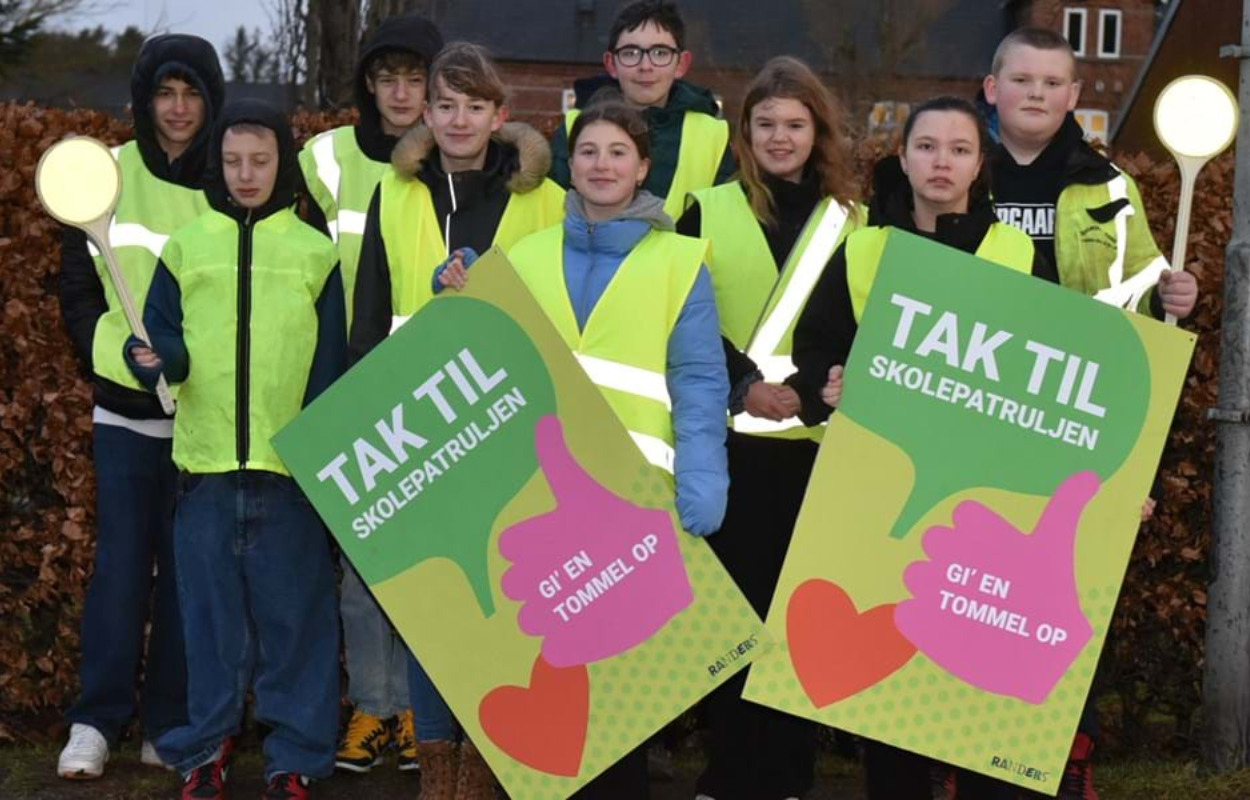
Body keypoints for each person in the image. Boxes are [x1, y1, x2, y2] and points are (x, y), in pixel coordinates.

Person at [438, 97, 729, 799]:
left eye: (618, 153)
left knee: (621, 696)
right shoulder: (525, 256)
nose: (603, 165)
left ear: (643, 168)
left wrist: (704, 470)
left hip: (634, 500)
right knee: (549, 670)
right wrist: (455, 291)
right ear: (572, 164)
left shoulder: (680, 260)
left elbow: (697, 378)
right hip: (535, 500)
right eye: (589, 152)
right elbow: (478, 358)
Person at [790, 97, 1051, 800]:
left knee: (976, 665)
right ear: (900, 159)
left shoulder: (1018, 254)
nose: (942, 162)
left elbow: (1058, 375)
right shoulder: (864, 247)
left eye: (959, 150)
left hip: (985, 497)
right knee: (891, 667)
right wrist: (826, 381)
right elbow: (812, 349)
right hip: (882, 493)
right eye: (927, 147)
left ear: (979, 164)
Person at [982, 28, 1197, 799]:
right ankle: (959, 752)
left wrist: (1176, 294)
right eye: (1022, 78)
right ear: (992, 88)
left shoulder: (1108, 186)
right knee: (968, 582)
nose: (1036, 92)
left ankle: (1067, 754)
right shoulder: (957, 169)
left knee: (1060, 592)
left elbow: (1143, 307)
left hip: (1070, 424)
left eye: (1052, 82)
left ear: (1075, 97)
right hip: (975, 417)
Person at [346, 41, 563, 799]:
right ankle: (441, 765)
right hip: (421, 431)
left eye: (476, 105)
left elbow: (563, 317)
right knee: (436, 609)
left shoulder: (546, 199)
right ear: (425, 114)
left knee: (509, 604)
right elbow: (369, 316)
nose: (460, 119)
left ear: (500, 115)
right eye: (446, 105)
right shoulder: (395, 192)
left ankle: (500, 755)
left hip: (510, 424)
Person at [123, 99, 346, 800]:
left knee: (297, 626)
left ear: (282, 163)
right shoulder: (187, 246)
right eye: (232, 161)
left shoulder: (316, 252)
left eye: (260, 160)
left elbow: (332, 363)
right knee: (209, 627)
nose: (246, 174)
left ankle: (296, 761)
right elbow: (166, 346)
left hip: (291, 474)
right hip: (206, 469)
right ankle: (207, 749)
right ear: (216, 166)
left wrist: (320, 450)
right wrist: (157, 361)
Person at [673, 55, 861, 800]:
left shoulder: (856, 221)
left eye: (795, 124)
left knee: (797, 627)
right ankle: (728, 770)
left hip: (818, 452)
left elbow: (857, 326)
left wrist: (812, 393)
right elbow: (681, 321)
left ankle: (788, 776)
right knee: (729, 623)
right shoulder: (705, 207)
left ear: (817, 132)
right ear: (743, 131)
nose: (780, 138)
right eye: (766, 124)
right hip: (728, 447)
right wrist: (746, 388)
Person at [55, 32, 225, 781]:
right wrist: (113, 356)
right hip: (125, 416)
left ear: (210, 100)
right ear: (145, 98)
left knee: (190, 577)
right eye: (165, 92)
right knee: (121, 570)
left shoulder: (234, 176)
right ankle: (95, 722)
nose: (179, 108)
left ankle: (170, 725)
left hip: (203, 417)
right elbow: (77, 288)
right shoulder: (109, 175)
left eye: (191, 93)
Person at [297, 11, 443, 775]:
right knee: (360, 565)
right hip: (351, 378)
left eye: (415, 77)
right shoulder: (324, 159)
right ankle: (375, 709)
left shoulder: (453, 161)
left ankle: (421, 709)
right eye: (387, 77)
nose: (400, 91)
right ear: (367, 85)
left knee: (424, 563)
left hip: (433, 384)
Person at [548, 0, 734, 219]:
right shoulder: (574, 127)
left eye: (660, 53)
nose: (645, 67)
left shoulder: (712, 135)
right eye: (631, 53)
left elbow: (720, 219)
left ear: (681, 64)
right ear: (611, 64)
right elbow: (552, 211)